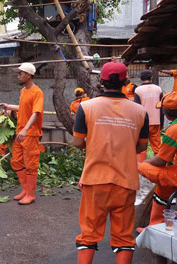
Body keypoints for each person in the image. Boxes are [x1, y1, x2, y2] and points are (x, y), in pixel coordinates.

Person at [73, 62, 148, 264]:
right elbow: (141, 147)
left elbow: (78, 143)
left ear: (101, 81)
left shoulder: (85, 107)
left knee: (88, 234)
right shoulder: (140, 112)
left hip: (94, 180)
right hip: (125, 181)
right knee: (124, 237)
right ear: (125, 81)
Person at [1, 62, 44, 205]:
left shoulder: (37, 92)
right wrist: (9, 106)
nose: (18, 75)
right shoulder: (24, 91)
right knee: (16, 161)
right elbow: (23, 108)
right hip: (20, 132)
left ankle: (30, 195)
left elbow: (36, 113)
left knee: (31, 164)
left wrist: (26, 129)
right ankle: (25, 189)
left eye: (20, 73)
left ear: (28, 75)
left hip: (30, 133)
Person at [137, 91, 177, 232]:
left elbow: (161, 160)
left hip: (174, 175)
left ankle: (155, 225)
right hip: (155, 126)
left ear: (166, 113)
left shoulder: (173, 130)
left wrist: (143, 164)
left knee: (143, 168)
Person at [134, 69, 163, 161]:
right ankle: (160, 166)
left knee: (142, 146)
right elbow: (162, 106)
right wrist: (161, 121)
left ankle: (141, 168)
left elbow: (137, 108)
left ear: (141, 78)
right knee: (157, 146)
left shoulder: (138, 90)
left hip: (143, 122)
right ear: (151, 77)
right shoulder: (158, 89)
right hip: (156, 121)